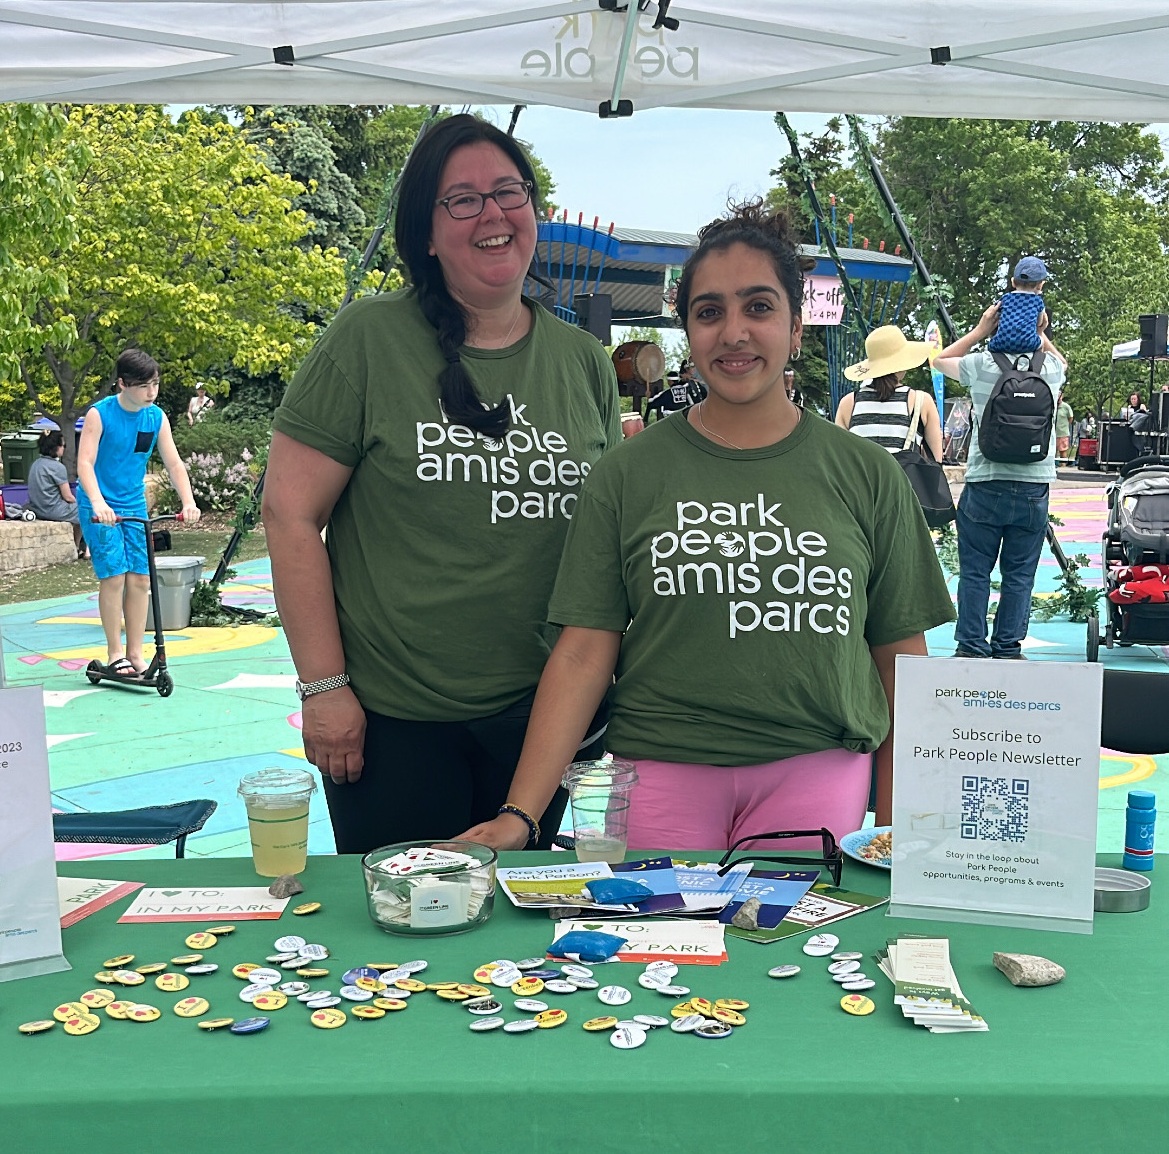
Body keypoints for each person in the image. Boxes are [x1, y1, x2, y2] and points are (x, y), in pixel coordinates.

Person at [458, 201, 954, 854]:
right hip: (660, 768)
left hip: (813, 766)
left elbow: (898, 660)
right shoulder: (627, 474)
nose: (734, 332)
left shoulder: (865, 475)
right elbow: (582, 652)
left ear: (796, 328)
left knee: (789, 953)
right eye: (709, 312)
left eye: (758, 307)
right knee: (656, 949)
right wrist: (520, 815)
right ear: (687, 333)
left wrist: (890, 836)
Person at [264, 113, 621, 855]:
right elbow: (290, 514)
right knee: (400, 948)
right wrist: (323, 689)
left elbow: (601, 549)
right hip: (391, 724)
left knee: (524, 950)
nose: (491, 215)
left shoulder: (585, 362)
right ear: (425, 233)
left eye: (507, 192)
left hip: (539, 724)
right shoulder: (366, 339)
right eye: (461, 200)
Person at [934, 304, 1066, 660]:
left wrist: (978, 331)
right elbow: (1064, 364)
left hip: (984, 482)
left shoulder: (981, 365)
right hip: (1033, 485)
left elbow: (938, 360)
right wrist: (1042, 334)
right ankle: (1008, 646)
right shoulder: (1050, 369)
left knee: (975, 571)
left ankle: (971, 646)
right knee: (1020, 575)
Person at [76, 349, 201, 677]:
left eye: (155, 384)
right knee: (115, 576)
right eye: (144, 386)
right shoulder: (99, 415)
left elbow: (173, 463)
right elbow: (85, 464)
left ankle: (135, 653)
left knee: (141, 578)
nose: (151, 392)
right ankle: (115, 653)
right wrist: (99, 502)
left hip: (133, 503)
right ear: (122, 384)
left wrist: (188, 502)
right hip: (98, 503)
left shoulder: (155, 417)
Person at [834, 326, 944, 460]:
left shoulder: (849, 403)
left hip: (857, 480)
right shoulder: (921, 401)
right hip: (905, 480)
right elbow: (936, 461)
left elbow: (839, 457)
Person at [27, 429, 85, 558]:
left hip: (36, 508)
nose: (64, 448)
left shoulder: (35, 464)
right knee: (85, 510)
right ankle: (77, 546)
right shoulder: (57, 467)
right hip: (52, 510)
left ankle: (78, 546)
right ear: (55, 448)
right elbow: (68, 496)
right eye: (62, 445)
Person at [988, 256, 1048, 354]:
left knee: (992, 344)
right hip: (1028, 343)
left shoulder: (1005, 298)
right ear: (1040, 285)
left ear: (1013, 282)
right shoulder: (1037, 301)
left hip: (1001, 343)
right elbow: (1039, 323)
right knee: (1040, 341)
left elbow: (995, 316)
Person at [1055, 391, 1074, 464]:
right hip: (1053, 433)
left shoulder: (1066, 407)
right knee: (1053, 451)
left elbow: (1071, 418)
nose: (1058, 398)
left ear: (1061, 396)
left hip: (1063, 433)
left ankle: (1063, 466)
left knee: (1063, 451)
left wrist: (1064, 426)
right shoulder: (1052, 406)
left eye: (1059, 396)